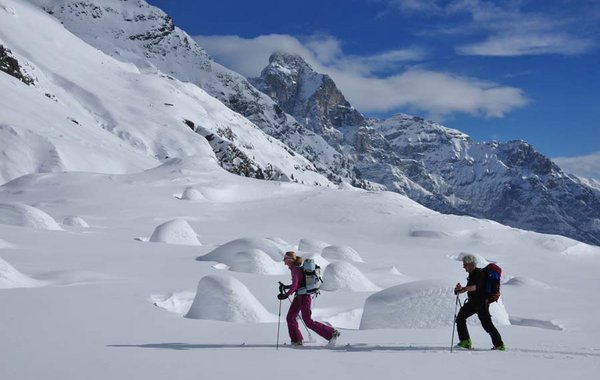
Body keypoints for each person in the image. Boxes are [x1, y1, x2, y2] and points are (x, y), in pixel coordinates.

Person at [278, 251, 340, 346]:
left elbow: (295, 285)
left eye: (285, 259)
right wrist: (286, 287)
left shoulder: (296, 269)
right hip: (299, 297)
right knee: (290, 318)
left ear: (290, 260)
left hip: (304, 297)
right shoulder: (296, 269)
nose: (284, 262)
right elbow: (298, 284)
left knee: (308, 321)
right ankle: (297, 340)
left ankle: (332, 333)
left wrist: (286, 295)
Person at [454, 254, 505, 351]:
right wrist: (459, 290)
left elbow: (476, 287)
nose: (463, 267)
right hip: (473, 303)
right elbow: (470, 288)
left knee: (487, 325)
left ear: (471, 264)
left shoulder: (479, 273)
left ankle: (499, 345)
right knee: (460, 318)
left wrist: (464, 289)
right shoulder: (472, 274)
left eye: (465, 265)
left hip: (481, 304)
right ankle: (465, 342)